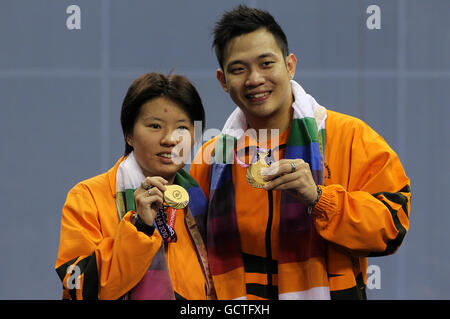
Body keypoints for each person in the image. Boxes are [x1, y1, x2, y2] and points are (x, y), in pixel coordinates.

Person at [189, 5, 411, 300]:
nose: (254, 79)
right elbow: (188, 255)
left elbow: (392, 226)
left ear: (290, 65)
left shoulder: (350, 137)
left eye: (266, 64)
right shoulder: (211, 158)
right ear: (223, 81)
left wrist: (320, 198)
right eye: (239, 69)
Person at [55, 72, 215, 300]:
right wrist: (140, 228)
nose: (170, 139)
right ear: (129, 134)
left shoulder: (202, 205)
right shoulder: (88, 197)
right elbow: (76, 287)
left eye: (182, 128)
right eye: (155, 126)